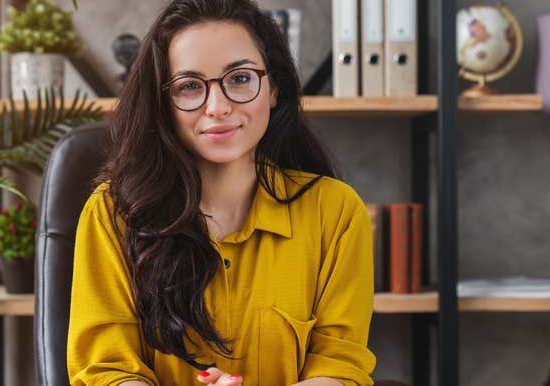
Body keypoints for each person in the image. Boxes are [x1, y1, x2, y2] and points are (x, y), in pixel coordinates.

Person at [67, 0, 376, 385]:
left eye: (241, 79)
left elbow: (340, 365)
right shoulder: (113, 214)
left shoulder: (336, 212)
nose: (218, 107)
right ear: (164, 103)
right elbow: (106, 371)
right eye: (189, 86)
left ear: (274, 88)